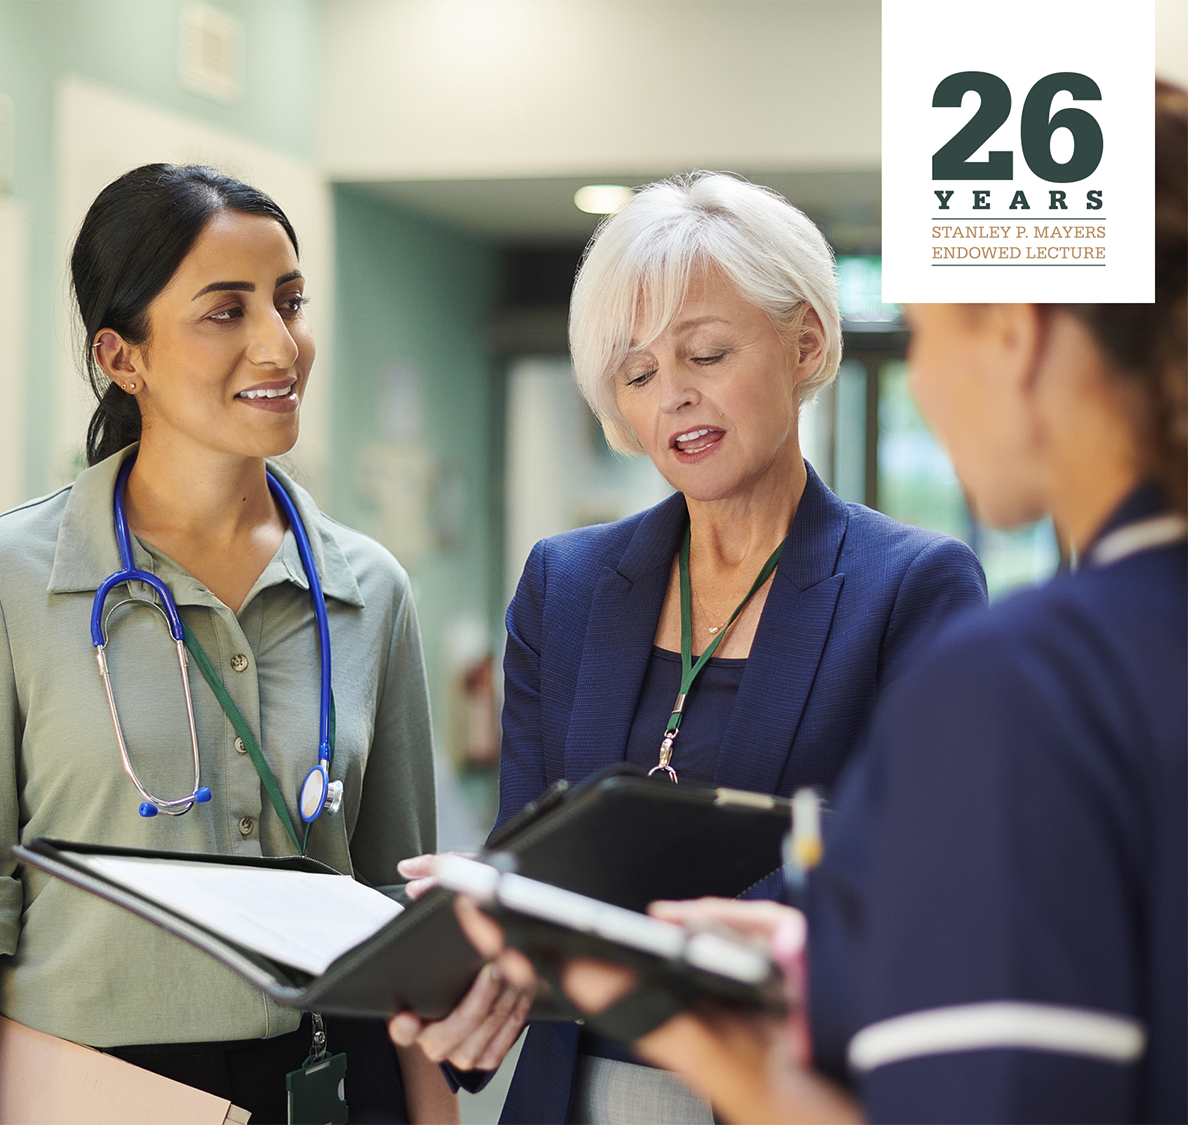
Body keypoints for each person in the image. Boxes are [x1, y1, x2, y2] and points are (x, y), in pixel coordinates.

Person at [481, 77, 1188, 1125]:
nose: (928, 385)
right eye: (637, 372)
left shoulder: (1032, 668)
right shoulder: (569, 582)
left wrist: (717, 1015)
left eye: (931, 332)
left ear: (1017, 334)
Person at [390, 173, 988, 1125]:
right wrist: (476, 946)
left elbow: (905, 855)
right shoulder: (566, 584)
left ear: (805, 342)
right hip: (572, 1091)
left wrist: (633, 945)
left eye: (706, 352)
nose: (675, 396)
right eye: (637, 375)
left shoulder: (913, 585)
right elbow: (525, 850)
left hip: (785, 1087)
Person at [0, 164, 457, 1125]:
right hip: (96, 1089)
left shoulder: (368, 590)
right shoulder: (6, 577)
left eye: (290, 301)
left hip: (331, 1079)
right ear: (123, 356)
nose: (280, 344)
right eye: (225, 312)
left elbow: (400, 911)